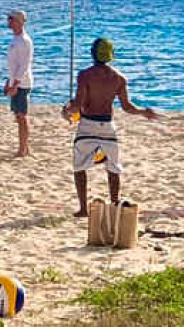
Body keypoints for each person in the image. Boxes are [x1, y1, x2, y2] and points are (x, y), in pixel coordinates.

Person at [63, 38, 158, 217]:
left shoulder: (84, 75)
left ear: (93, 54)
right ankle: (114, 204)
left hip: (87, 125)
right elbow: (127, 107)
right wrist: (144, 112)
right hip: (107, 126)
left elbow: (78, 104)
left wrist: (66, 111)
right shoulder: (119, 78)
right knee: (113, 168)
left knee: (79, 167)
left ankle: (83, 209)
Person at [4, 10, 34, 157]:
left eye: (11, 19)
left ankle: (23, 149)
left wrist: (15, 84)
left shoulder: (24, 40)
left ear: (19, 21)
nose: (8, 21)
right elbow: (13, 65)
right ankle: (24, 148)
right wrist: (8, 82)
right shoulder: (15, 39)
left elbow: (24, 65)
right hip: (15, 81)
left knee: (22, 116)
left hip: (22, 83)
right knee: (18, 116)